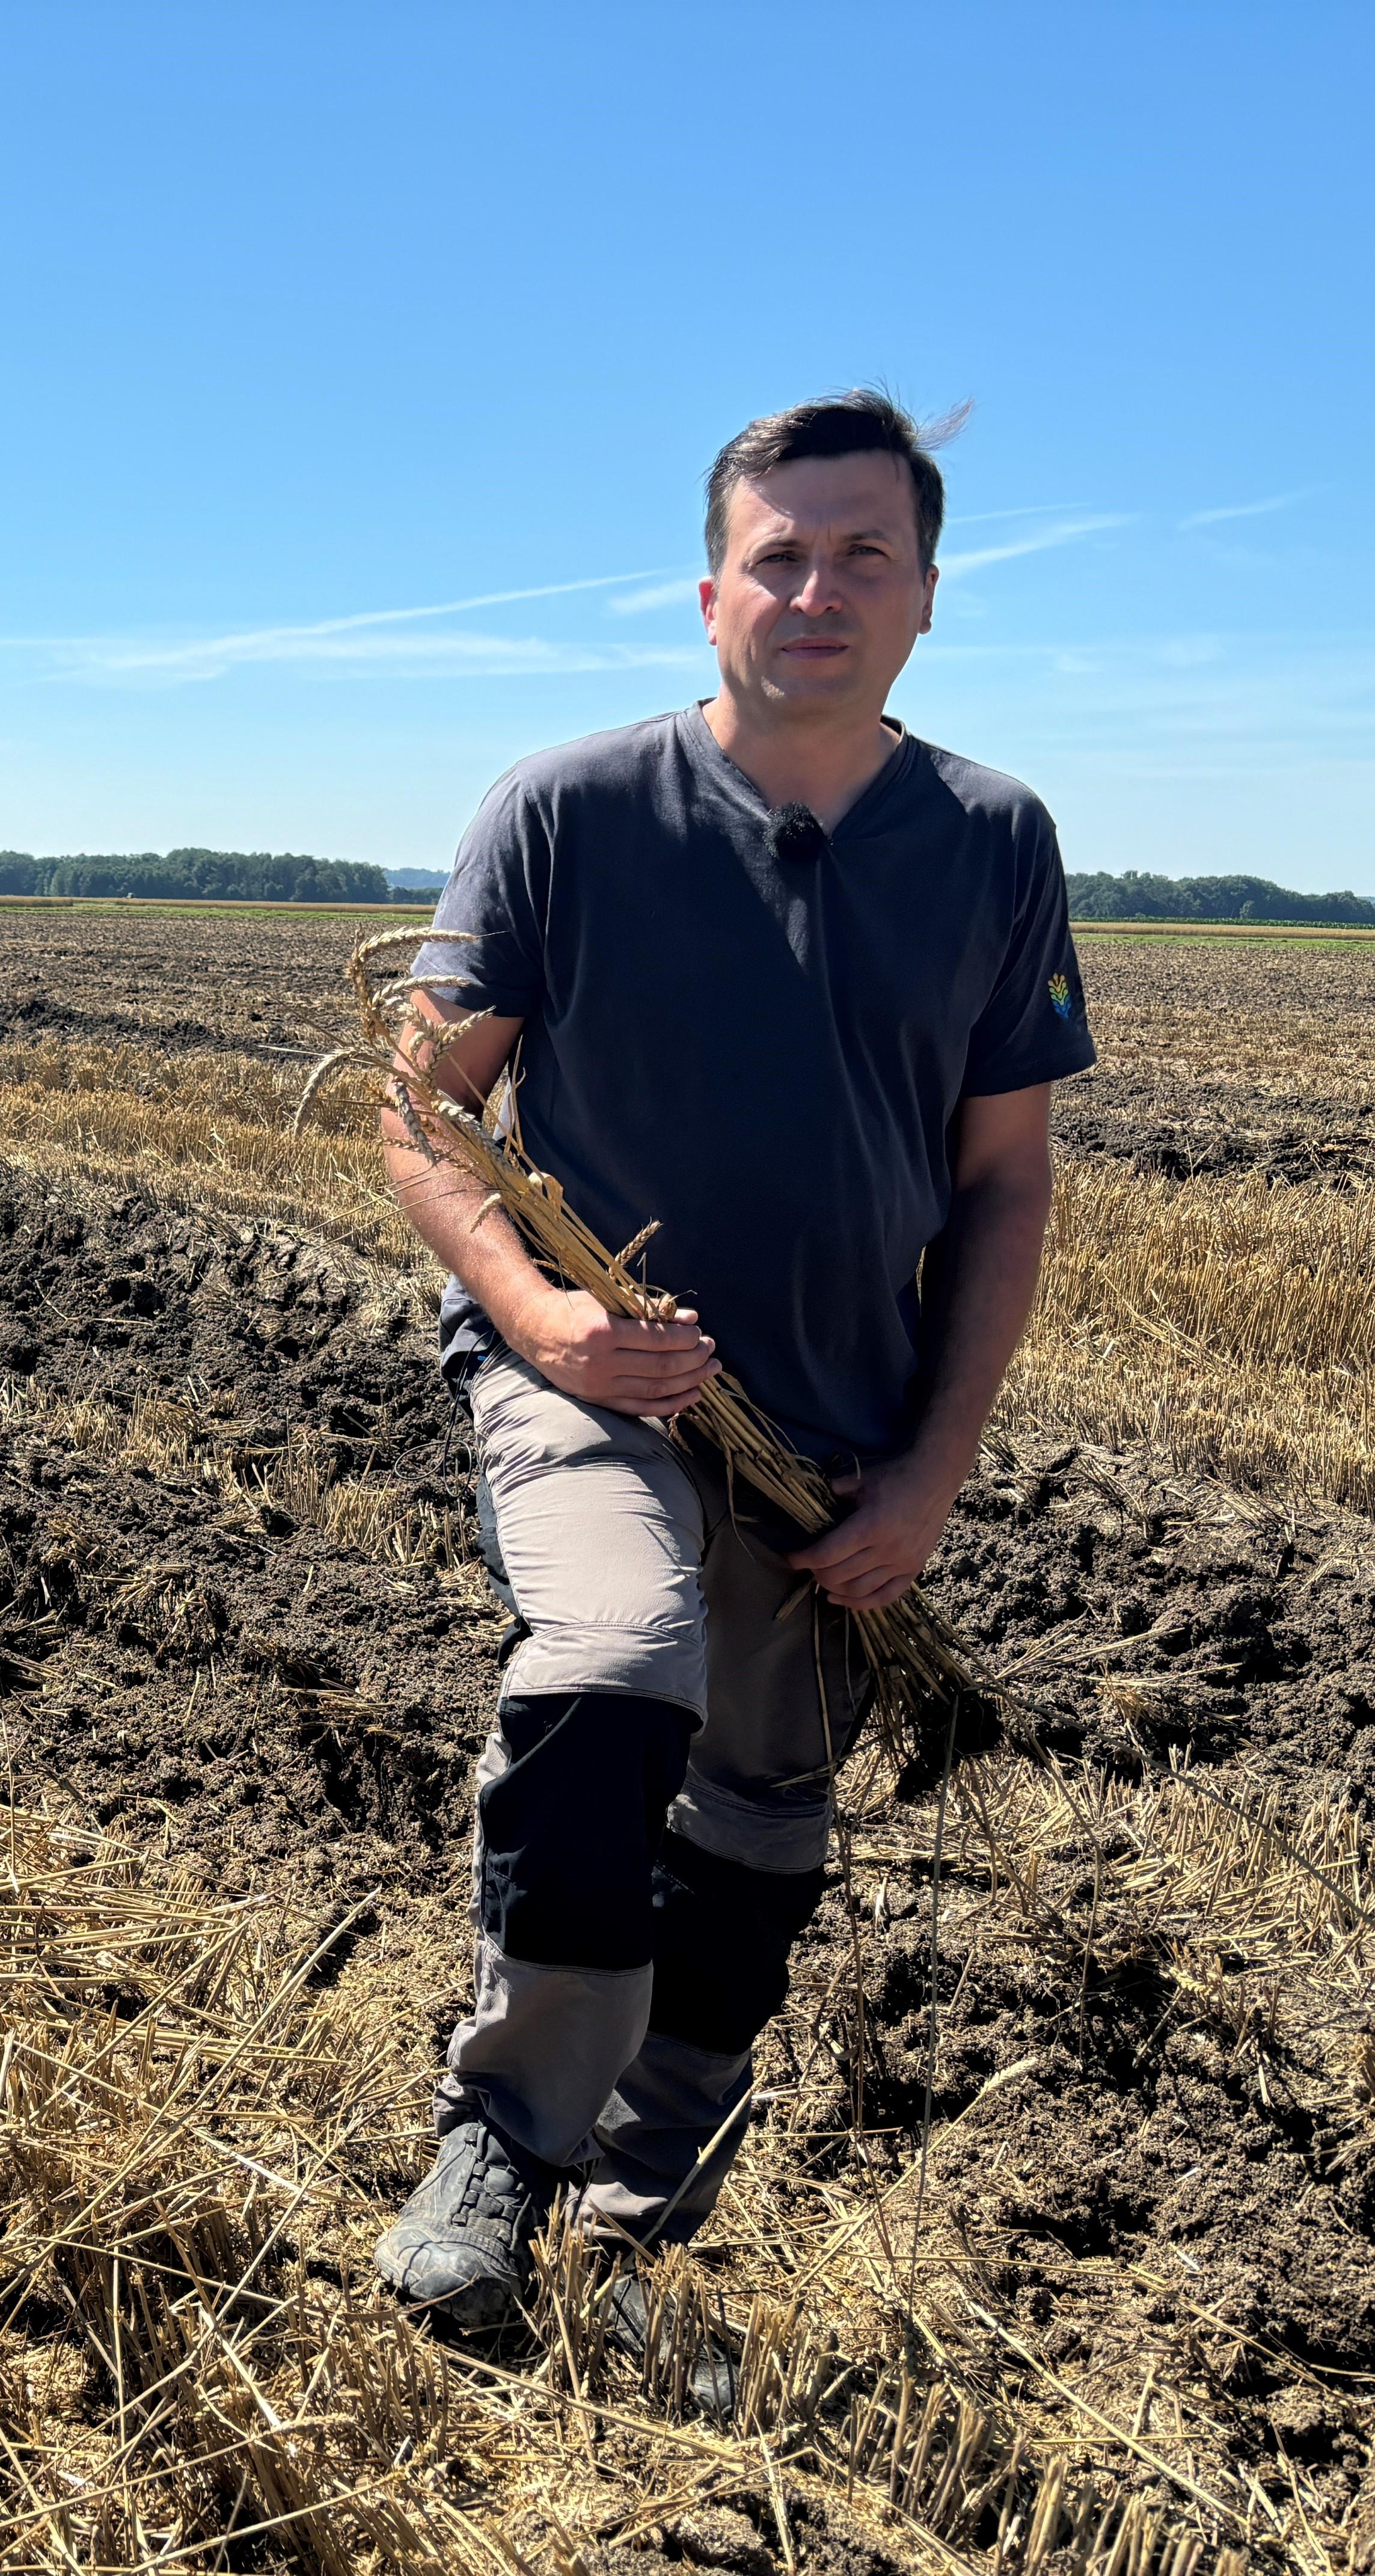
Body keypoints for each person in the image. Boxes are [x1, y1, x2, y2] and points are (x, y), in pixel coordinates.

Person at [370, 391, 1095, 2336]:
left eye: (864, 552)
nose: (817, 587)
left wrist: (930, 1475)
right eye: (778, 552)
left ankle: (637, 2187)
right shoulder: (570, 810)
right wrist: (543, 1323)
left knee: (767, 1814)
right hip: (591, 1376)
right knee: (613, 1672)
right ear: (709, 594)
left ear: (930, 595)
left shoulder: (997, 843)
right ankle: (506, 2140)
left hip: (831, 1432)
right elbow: (420, 1111)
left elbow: (1007, 1188)